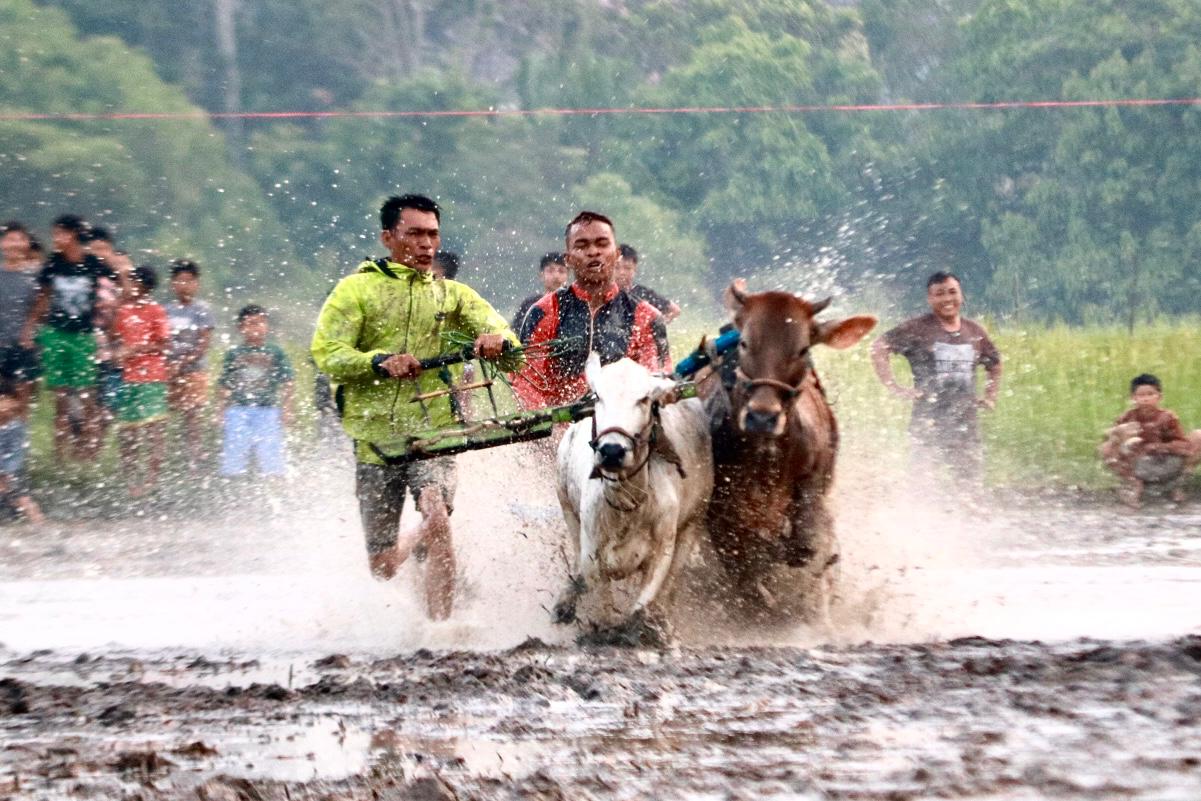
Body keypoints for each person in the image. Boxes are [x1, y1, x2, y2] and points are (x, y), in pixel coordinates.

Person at [311, 194, 521, 620]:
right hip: (375, 439)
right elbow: (326, 352)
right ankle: (411, 551)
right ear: (388, 238)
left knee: (437, 516)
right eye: (415, 234)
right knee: (383, 566)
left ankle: (441, 629)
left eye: (433, 235)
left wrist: (499, 342)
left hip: (435, 433)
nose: (426, 244)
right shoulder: (356, 291)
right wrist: (378, 362)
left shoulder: (452, 295)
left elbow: (509, 343)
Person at [513, 212, 670, 409]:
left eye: (602, 244)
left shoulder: (646, 316)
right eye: (582, 246)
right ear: (568, 260)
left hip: (624, 423)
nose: (593, 252)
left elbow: (656, 382)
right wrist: (553, 422)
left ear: (617, 254)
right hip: (561, 422)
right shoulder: (544, 312)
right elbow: (526, 382)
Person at [870, 271, 1002, 484]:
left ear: (961, 295)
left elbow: (994, 363)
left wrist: (990, 396)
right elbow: (879, 347)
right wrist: (893, 386)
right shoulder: (918, 328)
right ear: (930, 299)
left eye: (952, 292)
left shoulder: (974, 331)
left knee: (970, 486)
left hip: (965, 425)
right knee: (922, 484)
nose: (947, 299)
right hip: (928, 422)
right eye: (940, 294)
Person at [19, 214, 119, 463]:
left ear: (73, 235)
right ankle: (60, 459)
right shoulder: (54, 263)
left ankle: (88, 454)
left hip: (83, 336)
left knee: (86, 396)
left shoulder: (93, 263)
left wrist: (113, 264)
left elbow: (122, 287)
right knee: (61, 400)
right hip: (56, 334)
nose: (56, 239)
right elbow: (43, 298)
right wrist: (29, 329)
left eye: (60, 234)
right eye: (55, 234)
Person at [1100, 374, 1201, 509]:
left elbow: (1184, 445)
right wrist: (1118, 433)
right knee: (1106, 446)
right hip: (1138, 466)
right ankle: (1133, 484)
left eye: (1150, 394)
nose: (1146, 399)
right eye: (1141, 395)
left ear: (1159, 397)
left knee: (1199, 436)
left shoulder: (1167, 418)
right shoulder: (1128, 417)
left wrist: (1159, 447)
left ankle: (1177, 483)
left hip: (1167, 462)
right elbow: (1108, 439)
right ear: (1133, 398)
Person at [218, 305, 293, 485]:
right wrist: (220, 410)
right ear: (241, 328)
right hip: (238, 409)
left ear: (267, 326)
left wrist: (287, 409)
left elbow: (288, 382)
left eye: (260, 323)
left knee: (271, 454)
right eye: (251, 323)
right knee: (235, 451)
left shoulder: (275, 352)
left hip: (268, 409)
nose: (256, 327)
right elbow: (224, 384)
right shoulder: (234, 353)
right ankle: (235, 487)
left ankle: (275, 487)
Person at [113, 266, 171, 498]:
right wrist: (118, 353)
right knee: (127, 432)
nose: (127, 287)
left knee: (153, 429)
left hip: (152, 377)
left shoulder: (156, 311)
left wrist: (137, 349)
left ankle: (152, 480)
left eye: (132, 283)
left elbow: (164, 344)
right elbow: (117, 340)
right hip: (129, 378)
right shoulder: (123, 312)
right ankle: (131, 483)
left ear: (144, 286)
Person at [165, 259, 215, 468]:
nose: (184, 285)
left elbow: (203, 343)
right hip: (168, 370)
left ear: (196, 284)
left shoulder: (202, 310)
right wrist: (169, 364)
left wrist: (183, 362)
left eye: (189, 281)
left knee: (192, 414)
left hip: (194, 370)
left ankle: (195, 457)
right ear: (172, 283)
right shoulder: (166, 310)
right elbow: (162, 340)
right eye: (180, 280)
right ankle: (167, 458)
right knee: (163, 414)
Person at [0, 343, 44, 524]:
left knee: (23, 499)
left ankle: (40, 526)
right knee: (18, 497)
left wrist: (6, 473)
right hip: (7, 471)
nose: (5, 410)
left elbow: (17, 453)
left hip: (11, 470)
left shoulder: (16, 425)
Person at [615, 244, 681, 323]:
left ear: (635, 269)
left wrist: (656, 325)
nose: (622, 272)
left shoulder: (642, 293)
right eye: (616, 267)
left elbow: (675, 310)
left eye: (627, 268)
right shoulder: (604, 293)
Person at [0, 224, 41, 351]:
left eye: (21, 239)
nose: (16, 244)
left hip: (31, 347)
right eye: (11, 239)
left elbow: (44, 307)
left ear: (28, 243)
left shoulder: (39, 274)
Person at [511, 252, 569, 331]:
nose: (556, 276)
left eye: (561, 271)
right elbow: (517, 333)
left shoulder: (573, 304)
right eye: (550, 271)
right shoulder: (530, 304)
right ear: (541, 275)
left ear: (568, 275)